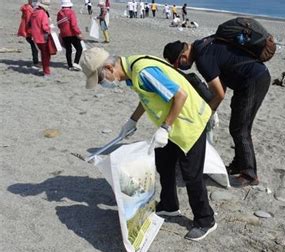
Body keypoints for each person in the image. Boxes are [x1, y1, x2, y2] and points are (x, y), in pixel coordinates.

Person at [80, 47, 217, 241]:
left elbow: (181, 96)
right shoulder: (131, 71)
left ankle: (206, 220)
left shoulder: (142, 72)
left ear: (109, 68)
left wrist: (165, 128)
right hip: (173, 125)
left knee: (191, 175)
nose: (104, 84)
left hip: (190, 123)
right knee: (164, 163)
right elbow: (148, 97)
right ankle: (169, 206)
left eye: (101, 79)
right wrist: (132, 120)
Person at [163, 39, 271, 187]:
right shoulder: (205, 46)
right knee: (236, 126)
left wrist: (208, 113)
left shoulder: (202, 59)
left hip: (254, 81)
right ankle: (239, 164)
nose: (182, 67)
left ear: (182, 58)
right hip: (248, 80)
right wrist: (212, 107)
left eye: (178, 65)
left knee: (240, 129)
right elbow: (220, 83)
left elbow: (219, 94)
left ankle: (250, 174)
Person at [57, 0, 83, 71]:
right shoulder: (71, 12)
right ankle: (76, 63)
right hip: (72, 33)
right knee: (79, 49)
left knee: (68, 50)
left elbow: (59, 24)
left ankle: (70, 66)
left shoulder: (59, 13)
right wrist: (79, 33)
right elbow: (73, 25)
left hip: (64, 34)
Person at [30, 0, 52, 76]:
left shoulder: (34, 12)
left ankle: (45, 70)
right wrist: (50, 30)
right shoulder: (43, 13)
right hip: (43, 37)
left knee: (43, 54)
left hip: (35, 37)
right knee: (46, 55)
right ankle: (46, 71)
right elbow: (45, 27)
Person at [17, 0, 39, 68]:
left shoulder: (27, 8)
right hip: (29, 32)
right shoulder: (29, 10)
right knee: (35, 47)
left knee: (35, 47)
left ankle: (36, 62)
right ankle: (35, 62)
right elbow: (29, 22)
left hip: (27, 31)